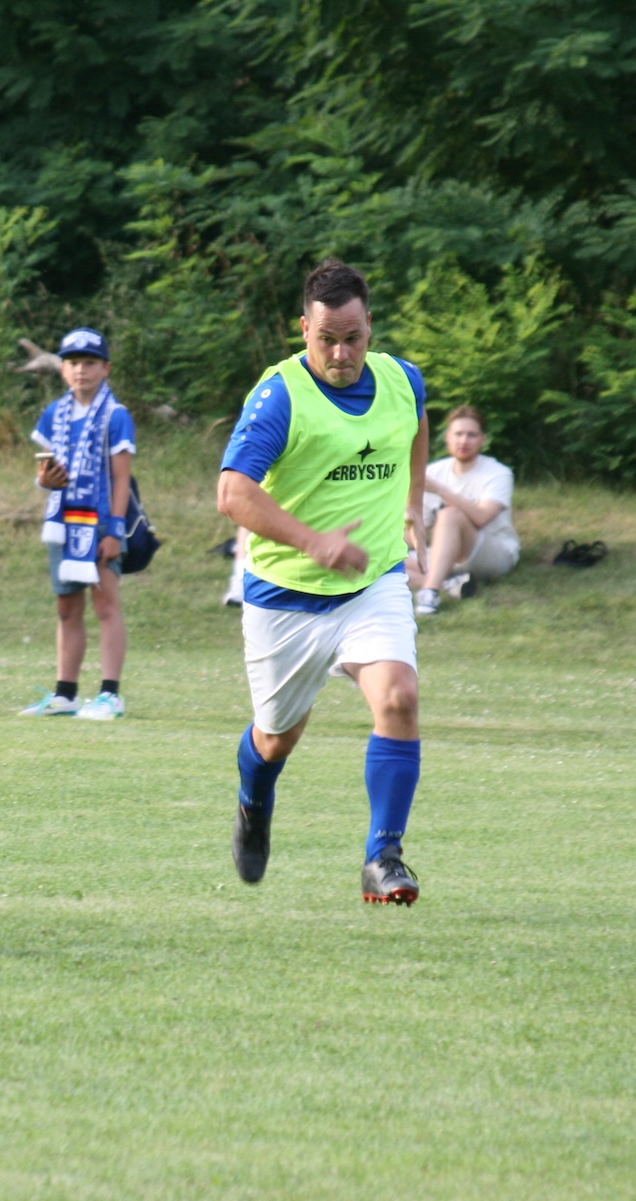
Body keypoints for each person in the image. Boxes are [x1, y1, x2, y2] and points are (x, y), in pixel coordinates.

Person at [217, 258, 430, 902]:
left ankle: (382, 858)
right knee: (277, 737)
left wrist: (412, 505)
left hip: (372, 581)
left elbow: (415, 425)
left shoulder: (402, 380)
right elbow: (233, 493)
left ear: (371, 328)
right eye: (327, 339)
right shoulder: (280, 395)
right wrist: (314, 542)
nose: (340, 354)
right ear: (303, 328)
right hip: (285, 597)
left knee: (399, 698)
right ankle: (254, 799)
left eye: (353, 338)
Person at [21, 328, 134, 720]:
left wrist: (115, 531)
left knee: (106, 605)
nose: (80, 370)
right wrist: (44, 480)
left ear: (105, 368)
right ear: (62, 369)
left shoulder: (116, 415)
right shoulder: (55, 413)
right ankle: (65, 693)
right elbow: (44, 473)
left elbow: (122, 478)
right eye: (72, 363)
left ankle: (110, 694)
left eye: (89, 363)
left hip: (100, 523)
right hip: (63, 523)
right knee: (67, 608)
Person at [405, 404, 519, 615]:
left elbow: (482, 517)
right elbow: (419, 526)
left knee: (450, 515)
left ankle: (430, 592)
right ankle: (450, 584)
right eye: (458, 434)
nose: (464, 441)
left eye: (471, 435)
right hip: (444, 553)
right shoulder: (434, 471)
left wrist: (440, 490)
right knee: (383, 560)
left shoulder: (498, 473)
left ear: (483, 439)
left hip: (492, 552)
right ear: (448, 437)